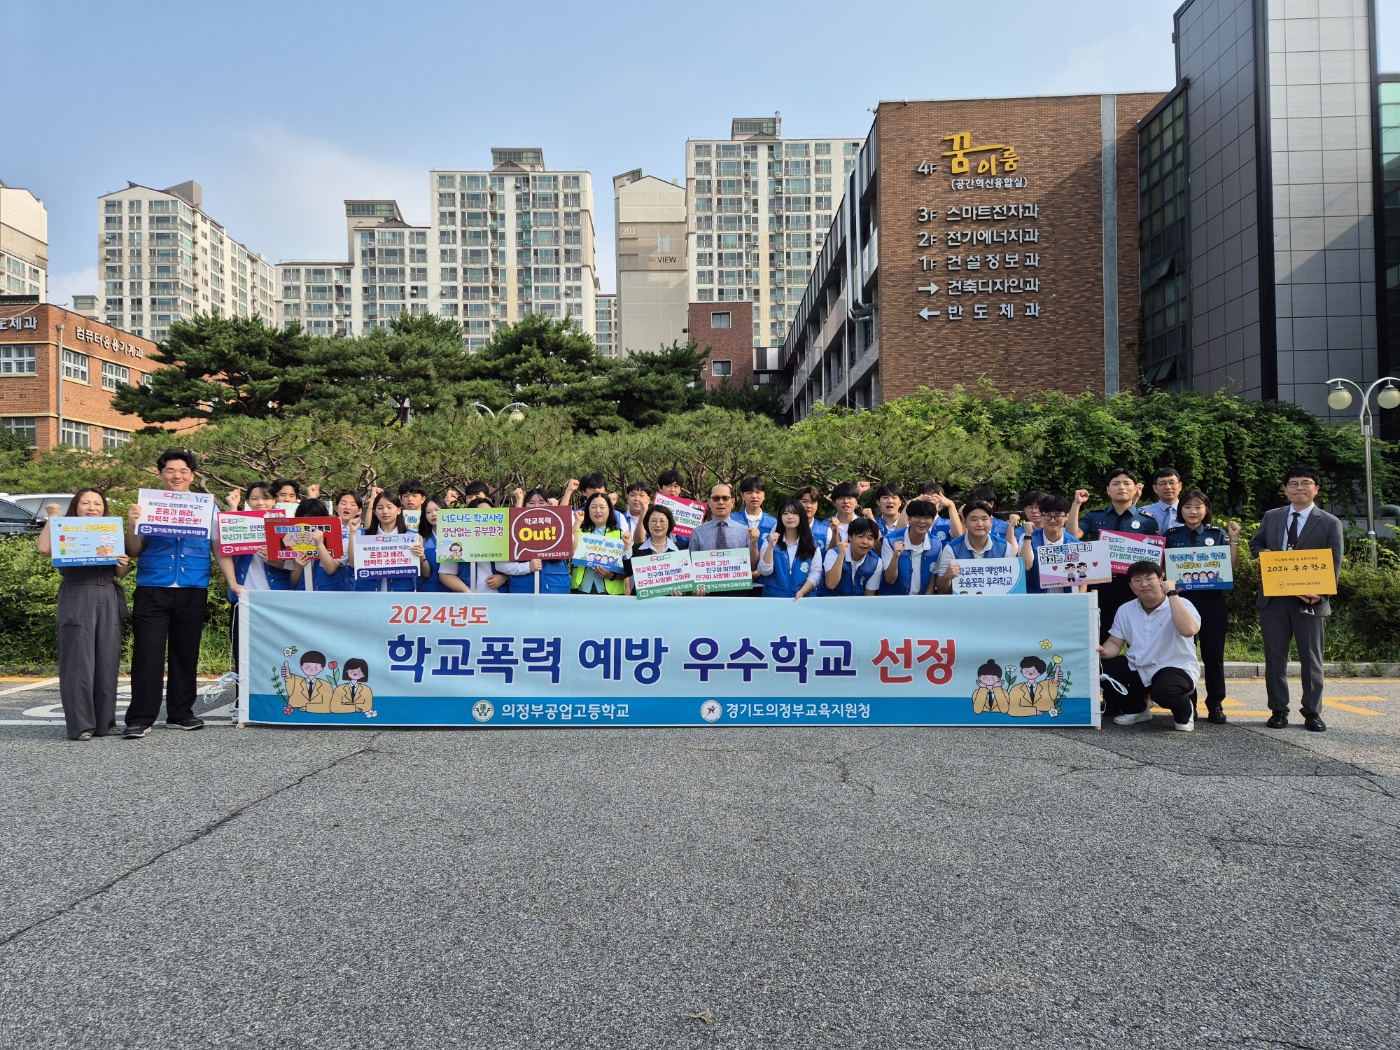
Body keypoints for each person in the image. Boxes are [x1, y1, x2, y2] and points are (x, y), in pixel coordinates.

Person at [123, 449, 216, 737]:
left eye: (183, 471)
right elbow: (134, 551)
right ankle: (140, 717)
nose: (177, 475)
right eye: (171, 471)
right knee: (147, 653)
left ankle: (180, 713)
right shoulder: (146, 505)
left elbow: (219, 547)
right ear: (160, 474)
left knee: (185, 653)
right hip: (153, 585)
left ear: (192, 475)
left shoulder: (209, 508)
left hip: (193, 586)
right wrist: (132, 523)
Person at [1249, 465, 1344, 732]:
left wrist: (1322, 592)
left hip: (1310, 601)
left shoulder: (1328, 522)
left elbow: (1335, 562)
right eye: (1293, 483)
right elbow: (1255, 545)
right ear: (1285, 489)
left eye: (1305, 483)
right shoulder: (1272, 516)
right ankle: (1278, 710)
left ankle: (1312, 712)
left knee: (1311, 659)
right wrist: (1262, 554)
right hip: (1274, 599)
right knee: (1275, 658)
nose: (1299, 488)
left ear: (1316, 488)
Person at [37, 490, 132, 740]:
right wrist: (53, 517)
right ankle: (81, 725)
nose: (92, 507)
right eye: (86, 502)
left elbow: (120, 573)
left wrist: (123, 563)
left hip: (107, 593)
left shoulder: (109, 530)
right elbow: (44, 549)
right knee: (78, 662)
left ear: (104, 508)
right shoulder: (64, 528)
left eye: (98, 503)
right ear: (76, 507)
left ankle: (105, 723)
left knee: (107, 660)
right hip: (77, 593)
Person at [1164, 490, 1241, 724]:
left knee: (1213, 655)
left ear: (1206, 510)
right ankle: (1189, 702)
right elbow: (1163, 567)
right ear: (1181, 510)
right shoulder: (1171, 535)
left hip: (1212, 601)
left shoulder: (1216, 534)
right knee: (1184, 654)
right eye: (1187, 506)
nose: (1193, 511)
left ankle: (1215, 704)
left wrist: (1234, 538)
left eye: (1198, 507)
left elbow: (1230, 566)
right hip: (1182, 602)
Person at [1097, 560, 1202, 732]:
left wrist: (1172, 594)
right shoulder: (1125, 609)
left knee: (1166, 692)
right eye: (1137, 580)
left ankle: (1186, 711)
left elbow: (1189, 630)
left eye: (1149, 578)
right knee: (1099, 667)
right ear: (1130, 585)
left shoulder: (1181, 603)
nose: (1144, 584)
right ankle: (1137, 709)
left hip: (1173, 666)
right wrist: (1103, 651)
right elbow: (1115, 643)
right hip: (1138, 665)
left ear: (1161, 579)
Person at [1069, 468, 1160, 645]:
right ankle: (1100, 672)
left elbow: (1155, 558)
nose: (1122, 487)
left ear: (1136, 489)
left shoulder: (1147, 520)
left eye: (1127, 483)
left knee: (1139, 637)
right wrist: (1076, 504)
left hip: (1134, 585)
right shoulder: (1095, 516)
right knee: (1099, 635)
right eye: (1116, 483)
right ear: (1108, 490)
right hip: (1101, 584)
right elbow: (1073, 534)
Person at [935, 501, 1030, 594]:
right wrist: (946, 577)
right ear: (964, 522)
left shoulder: (1005, 547)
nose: (980, 524)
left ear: (991, 521)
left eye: (984, 519)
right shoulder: (951, 548)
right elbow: (942, 590)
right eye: (973, 519)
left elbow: (1013, 585)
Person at [351, 490, 427, 593]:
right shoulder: (363, 536)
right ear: (374, 511)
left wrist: (422, 556)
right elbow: (352, 564)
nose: (385, 512)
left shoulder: (411, 537)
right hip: (367, 595)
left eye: (389, 507)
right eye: (380, 508)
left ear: (399, 510)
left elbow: (425, 573)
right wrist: (352, 533)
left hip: (400, 596)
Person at [873, 498, 945, 596]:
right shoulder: (890, 540)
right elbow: (889, 579)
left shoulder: (936, 544)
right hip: (893, 599)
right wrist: (895, 557)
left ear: (933, 521)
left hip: (920, 602)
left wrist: (926, 602)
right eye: (917, 517)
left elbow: (932, 576)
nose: (922, 521)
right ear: (909, 519)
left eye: (927, 517)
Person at [757, 499, 821, 599]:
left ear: (801, 516)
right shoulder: (770, 540)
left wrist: (802, 592)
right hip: (774, 599)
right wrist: (770, 547)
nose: (790, 517)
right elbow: (765, 571)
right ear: (780, 517)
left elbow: (816, 573)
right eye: (785, 513)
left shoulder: (812, 543)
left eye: (795, 513)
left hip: (803, 600)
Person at [1025, 493, 1085, 595]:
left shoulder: (1075, 544)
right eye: (1048, 515)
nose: (1052, 520)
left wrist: (1080, 600)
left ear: (1066, 516)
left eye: (1057, 516)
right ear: (1041, 515)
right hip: (1036, 600)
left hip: (1066, 600)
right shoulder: (1029, 538)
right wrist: (1027, 536)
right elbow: (1025, 566)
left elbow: (1083, 578)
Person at [571, 492, 627, 595]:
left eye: (602, 507)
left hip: (611, 592)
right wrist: (577, 524)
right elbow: (572, 553)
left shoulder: (620, 535)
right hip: (582, 589)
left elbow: (628, 569)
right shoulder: (579, 531)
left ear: (609, 510)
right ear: (587, 510)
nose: (598, 511)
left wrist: (610, 575)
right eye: (593, 507)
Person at [819, 516, 882, 596]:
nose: (865, 542)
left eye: (870, 538)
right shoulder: (834, 553)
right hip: (829, 603)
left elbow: (868, 597)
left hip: (856, 605)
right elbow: (831, 584)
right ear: (850, 537)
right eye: (860, 536)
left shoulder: (876, 562)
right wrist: (841, 555)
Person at [1142, 467, 1184, 534]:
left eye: (1172, 483)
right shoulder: (1144, 512)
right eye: (1162, 483)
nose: (1168, 487)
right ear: (1155, 488)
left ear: (1180, 486)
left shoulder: (1191, 512)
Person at [794, 485, 831, 550]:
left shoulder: (826, 531)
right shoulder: (786, 528)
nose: (808, 506)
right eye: (804, 501)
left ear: (817, 506)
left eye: (813, 502)